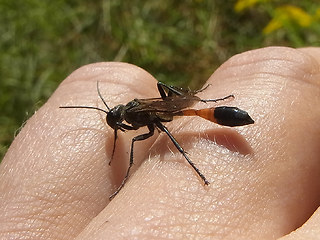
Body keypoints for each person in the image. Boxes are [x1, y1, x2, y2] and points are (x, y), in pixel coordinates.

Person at [0, 47, 319, 240]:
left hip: (208, 112)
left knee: (165, 133)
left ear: (120, 117)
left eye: (115, 123)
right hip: (201, 110)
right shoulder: (134, 110)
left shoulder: (138, 112)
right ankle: (201, 102)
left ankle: (194, 144)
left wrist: (189, 158)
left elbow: (159, 129)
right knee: (167, 118)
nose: (119, 127)